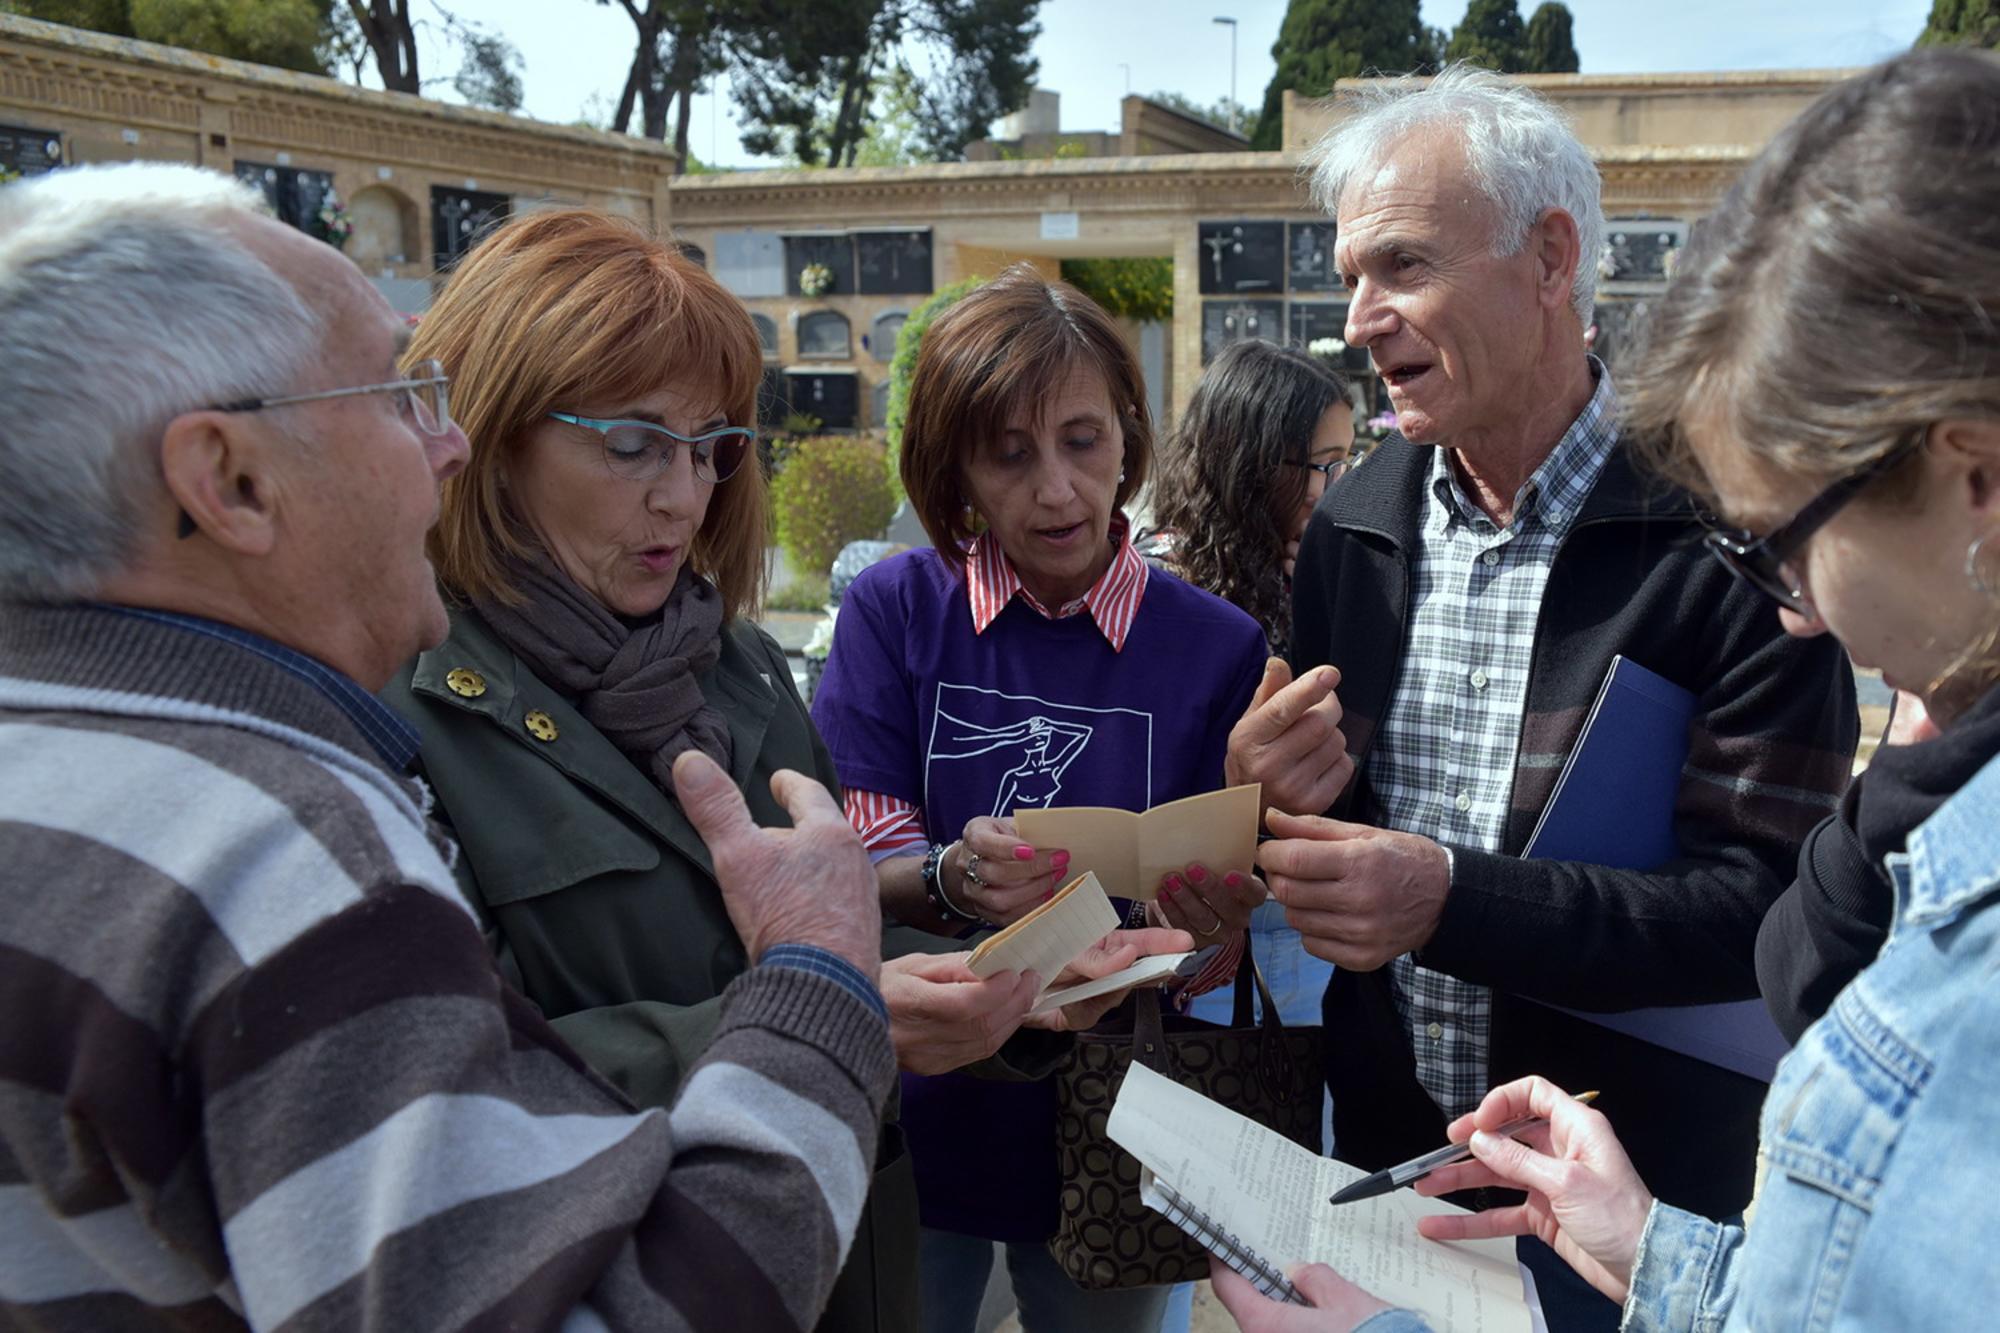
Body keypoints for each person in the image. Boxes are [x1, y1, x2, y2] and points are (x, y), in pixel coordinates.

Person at [0, 163, 895, 1329]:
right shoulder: (276, 847)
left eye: (709, 446)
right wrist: (818, 991)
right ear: (230, 479)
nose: (448, 444)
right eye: (397, 397)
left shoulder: (84, 761)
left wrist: (932, 919)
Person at [1212, 45, 2000, 1333]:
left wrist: (1449, 898)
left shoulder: (1727, 525)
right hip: (1401, 1167)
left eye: (1401, 264)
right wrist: (1275, 798)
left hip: (1627, 1192)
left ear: (1549, 258)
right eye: (1348, 274)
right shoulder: (1353, 523)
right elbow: (1344, 846)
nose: (1358, 318)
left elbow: (1764, 916)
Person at [379, 212, 1162, 1333]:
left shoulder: (735, 664)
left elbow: (835, 938)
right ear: (489, 434)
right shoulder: (402, 707)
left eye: (711, 448)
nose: (683, 496)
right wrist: (826, 1018)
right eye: (634, 443)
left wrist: (1011, 982)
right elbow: (431, 1084)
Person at [809, 266, 1271, 1331]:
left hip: (1121, 1118)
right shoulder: (893, 609)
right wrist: (949, 875)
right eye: (1009, 454)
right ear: (955, 467)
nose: (1057, 490)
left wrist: (1205, 930)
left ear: (1128, 436)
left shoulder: (1218, 645)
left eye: (1082, 440)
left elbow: (1213, 941)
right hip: (914, 1108)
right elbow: (856, 850)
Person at [1140, 337, 1355, 1333]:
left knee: (1285, 1202)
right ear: (1250, 461)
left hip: (1293, 936)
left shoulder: (1325, 575)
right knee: (1174, 1200)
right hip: (1187, 928)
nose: (1332, 490)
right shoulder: (1161, 599)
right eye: (1318, 465)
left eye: (1344, 463)